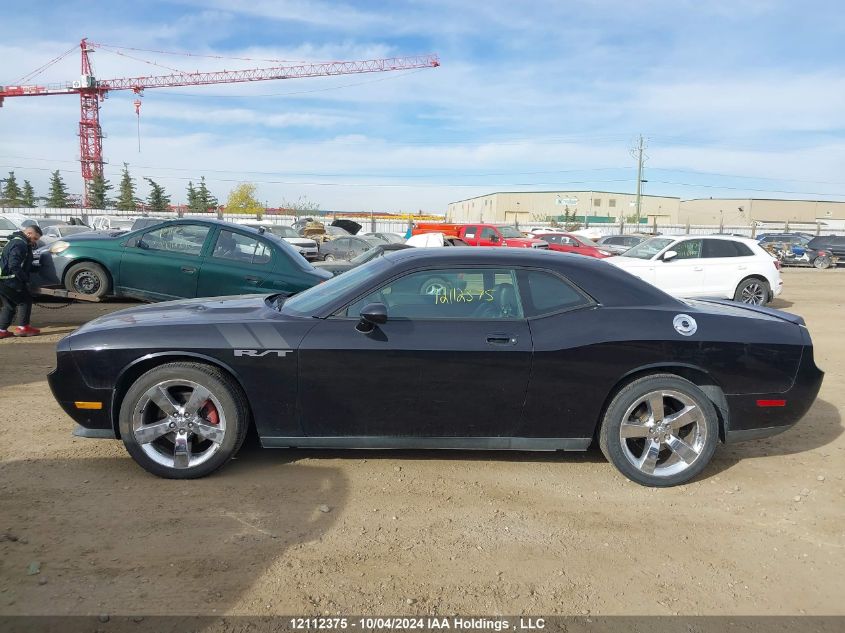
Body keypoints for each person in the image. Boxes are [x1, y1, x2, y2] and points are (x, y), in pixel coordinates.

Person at [0, 224, 43, 339]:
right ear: (28, 233)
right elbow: (14, 265)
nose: (35, 242)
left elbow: (22, 264)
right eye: (35, 238)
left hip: (3, 280)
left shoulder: (17, 241)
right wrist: (25, 280)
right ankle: (23, 328)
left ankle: (1, 330)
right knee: (25, 300)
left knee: (9, 306)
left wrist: (36, 268)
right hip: (9, 280)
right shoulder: (19, 244)